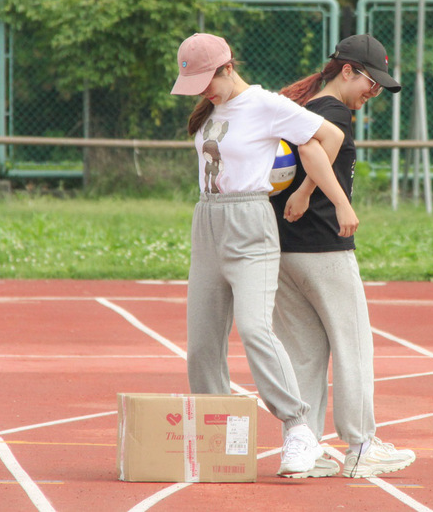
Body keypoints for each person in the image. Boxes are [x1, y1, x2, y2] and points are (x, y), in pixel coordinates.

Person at [170, 32, 359, 478]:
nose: (202, 92)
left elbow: (328, 138)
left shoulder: (266, 105)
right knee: (202, 344)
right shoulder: (212, 109)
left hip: (250, 224)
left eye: (206, 81)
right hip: (207, 222)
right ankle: (215, 436)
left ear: (228, 68)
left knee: (255, 328)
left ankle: (298, 428)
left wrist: (319, 196)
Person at [271, 34, 416, 478]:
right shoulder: (332, 112)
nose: (373, 93)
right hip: (324, 247)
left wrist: (300, 195)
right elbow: (314, 151)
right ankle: (361, 445)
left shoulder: (299, 108)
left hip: (284, 250)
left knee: (303, 355)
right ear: (347, 71)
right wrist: (330, 199)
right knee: (352, 346)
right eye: (372, 83)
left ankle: (304, 448)